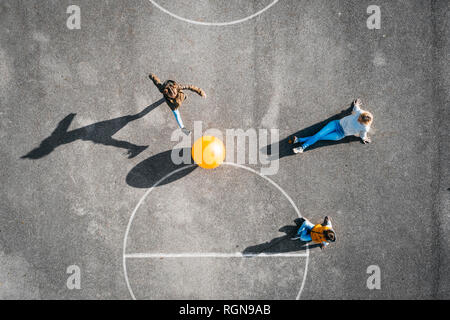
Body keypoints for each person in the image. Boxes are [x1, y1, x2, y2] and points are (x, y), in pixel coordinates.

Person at [292, 99, 373, 153]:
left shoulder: (365, 127)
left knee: (319, 137)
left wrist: (364, 139)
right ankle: (302, 147)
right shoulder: (361, 113)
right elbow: (356, 108)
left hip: (340, 134)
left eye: (360, 119)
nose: (358, 117)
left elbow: (363, 135)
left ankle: (299, 141)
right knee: (318, 135)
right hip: (336, 124)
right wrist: (356, 104)